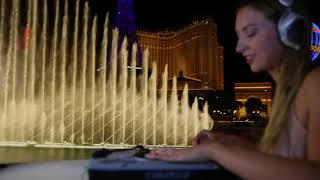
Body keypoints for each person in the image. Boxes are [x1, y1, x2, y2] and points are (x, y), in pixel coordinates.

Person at [145, 0, 320, 179]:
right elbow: (283, 158)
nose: (239, 48)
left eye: (251, 33)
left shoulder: (314, 84)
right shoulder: (288, 91)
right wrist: (234, 145)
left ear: (289, 31)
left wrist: (215, 151)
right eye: (238, 36)